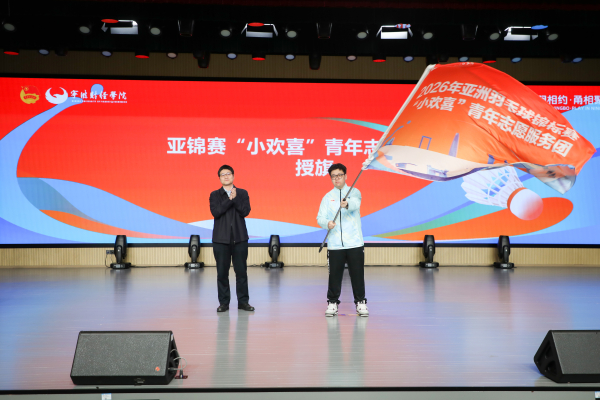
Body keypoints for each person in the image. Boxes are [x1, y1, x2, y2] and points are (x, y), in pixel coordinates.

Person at [317, 163, 368, 317]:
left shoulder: (354, 192)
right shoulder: (327, 197)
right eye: (333, 176)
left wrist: (347, 204)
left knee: (357, 274)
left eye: (339, 175)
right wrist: (327, 223)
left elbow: (355, 204)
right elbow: (320, 217)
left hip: (354, 242)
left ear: (345, 176)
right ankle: (332, 303)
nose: (337, 178)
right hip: (335, 244)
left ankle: (360, 302)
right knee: (334, 275)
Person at [209, 165, 254, 313]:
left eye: (228, 174)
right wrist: (230, 199)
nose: (226, 176)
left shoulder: (242, 193)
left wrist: (235, 199)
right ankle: (224, 303)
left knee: (241, 272)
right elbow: (216, 212)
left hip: (240, 239)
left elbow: (245, 211)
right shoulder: (215, 195)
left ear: (233, 176)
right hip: (220, 240)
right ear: (219, 178)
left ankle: (243, 302)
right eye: (223, 174)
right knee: (222, 273)